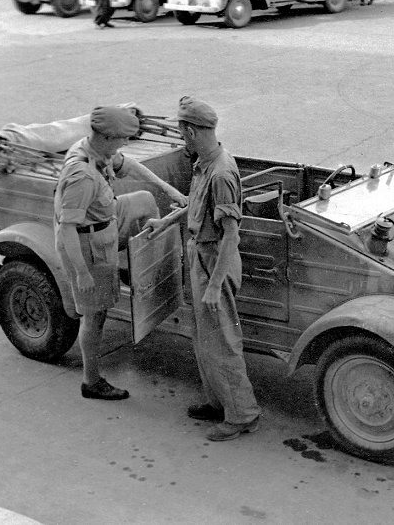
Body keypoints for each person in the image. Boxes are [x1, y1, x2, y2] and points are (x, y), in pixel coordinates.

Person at [144, 96, 261, 441]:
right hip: (201, 256)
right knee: (202, 336)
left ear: (192, 131)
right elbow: (197, 211)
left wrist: (214, 285)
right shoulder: (204, 164)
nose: (182, 139)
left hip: (215, 263)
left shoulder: (221, 172)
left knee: (222, 340)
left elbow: (231, 236)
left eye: (182, 132)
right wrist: (163, 222)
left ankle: (243, 415)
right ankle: (218, 402)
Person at [54, 105, 188, 401]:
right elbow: (67, 229)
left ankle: (140, 270)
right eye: (122, 139)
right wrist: (83, 273)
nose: (124, 145)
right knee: (95, 315)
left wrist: (171, 191)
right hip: (87, 245)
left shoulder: (97, 151)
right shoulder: (82, 176)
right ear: (106, 137)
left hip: (106, 219)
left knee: (144, 199)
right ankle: (91, 381)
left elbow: (130, 165)